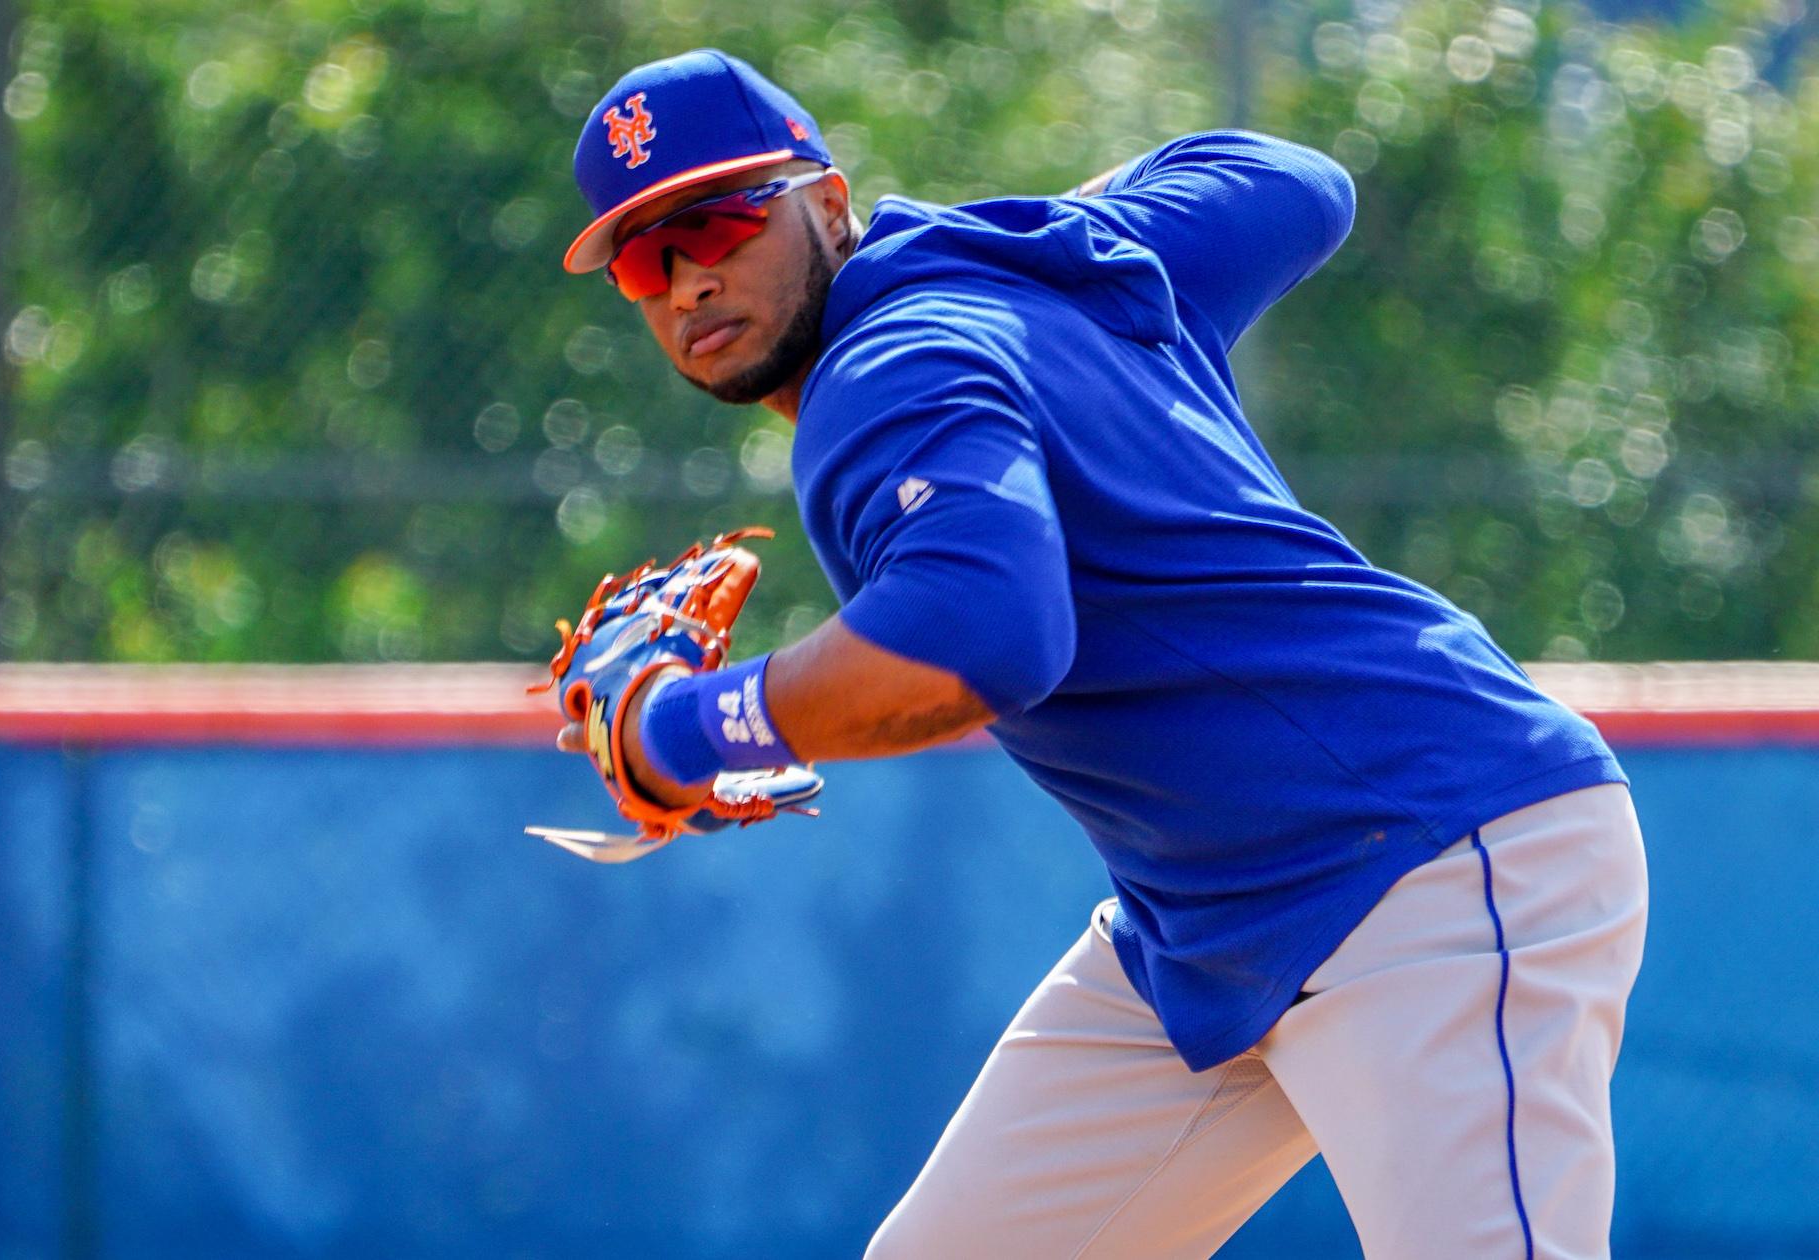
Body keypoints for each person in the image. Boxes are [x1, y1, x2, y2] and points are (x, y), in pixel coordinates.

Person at [556, 48, 1647, 1259]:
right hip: (1208, 926)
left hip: (1425, 852)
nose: (688, 280)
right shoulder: (1049, 277)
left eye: (717, 220)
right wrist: (1056, 246)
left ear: (824, 200)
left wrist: (685, 732)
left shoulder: (886, 371)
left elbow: (980, 636)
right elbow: (1293, 181)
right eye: (644, 257)